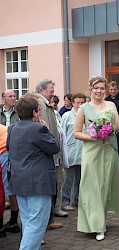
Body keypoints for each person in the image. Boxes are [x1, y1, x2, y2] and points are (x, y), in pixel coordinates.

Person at [74, 76, 119, 241]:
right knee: (91, 187)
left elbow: (118, 129)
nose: (99, 91)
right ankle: (95, 225)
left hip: (109, 151)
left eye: (102, 88)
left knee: (104, 186)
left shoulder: (111, 105)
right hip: (91, 152)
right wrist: (92, 137)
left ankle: (99, 221)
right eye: (96, 88)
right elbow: (76, 133)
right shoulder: (84, 108)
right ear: (90, 89)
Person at [6, 94, 60, 249]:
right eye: (39, 110)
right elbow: (54, 147)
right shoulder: (39, 128)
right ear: (35, 112)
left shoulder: (13, 127)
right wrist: (48, 131)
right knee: (37, 223)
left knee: (29, 221)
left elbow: (10, 148)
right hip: (37, 182)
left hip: (19, 181)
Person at [35, 79, 63, 230]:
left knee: (54, 185)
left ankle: (49, 218)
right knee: (51, 187)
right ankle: (48, 220)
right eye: (50, 91)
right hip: (48, 153)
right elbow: (45, 130)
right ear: (41, 90)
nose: (53, 94)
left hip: (52, 152)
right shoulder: (42, 105)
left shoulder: (48, 105)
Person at [61, 93, 86, 210]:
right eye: (78, 103)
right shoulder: (67, 116)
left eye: (82, 102)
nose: (80, 105)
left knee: (80, 178)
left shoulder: (86, 115)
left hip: (82, 151)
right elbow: (62, 134)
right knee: (68, 178)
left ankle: (76, 200)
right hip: (70, 151)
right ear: (73, 103)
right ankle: (65, 201)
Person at [0, 90, 20, 234]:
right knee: (2, 188)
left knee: (13, 187)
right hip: (1, 152)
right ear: (3, 99)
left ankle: (13, 222)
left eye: (15, 96)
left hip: (15, 152)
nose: (14, 98)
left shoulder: (19, 113)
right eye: (10, 96)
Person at [105, 81, 119, 171]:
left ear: (118, 90)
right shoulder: (105, 100)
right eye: (111, 89)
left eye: (114, 89)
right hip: (108, 126)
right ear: (108, 90)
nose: (113, 91)